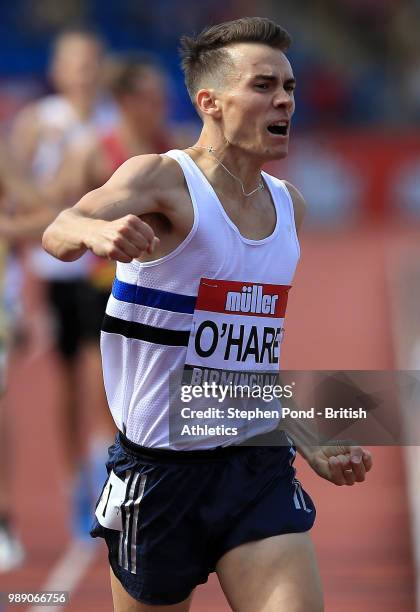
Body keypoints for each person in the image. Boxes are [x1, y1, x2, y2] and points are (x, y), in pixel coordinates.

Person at [43, 17, 373, 612]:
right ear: (210, 102)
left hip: (254, 468)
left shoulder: (287, 207)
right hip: (160, 475)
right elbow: (58, 229)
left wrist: (312, 442)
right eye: (265, 85)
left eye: (291, 88)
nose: (284, 101)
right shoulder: (164, 179)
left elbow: (247, 360)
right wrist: (97, 230)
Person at [11, 29, 119, 539]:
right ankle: (75, 476)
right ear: (57, 70)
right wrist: (52, 205)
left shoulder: (113, 121)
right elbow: (16, 188)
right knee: (69, 381)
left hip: (104, 265)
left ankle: (106, 472)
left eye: (91, 63)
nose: (83, 73)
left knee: (104, 373)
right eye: (74, 64)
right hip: (58, 266)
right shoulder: (39, 122)